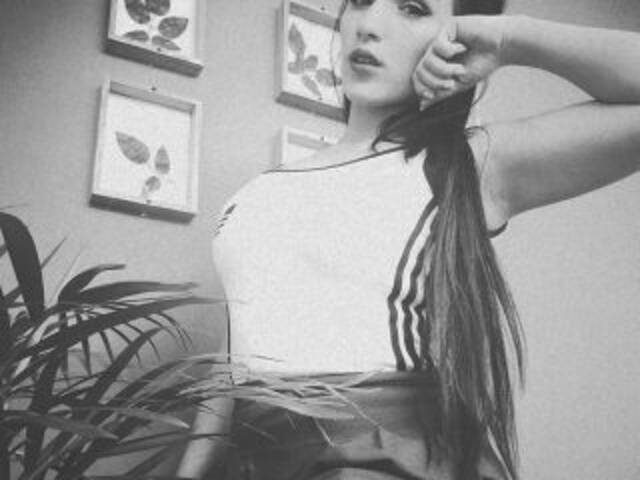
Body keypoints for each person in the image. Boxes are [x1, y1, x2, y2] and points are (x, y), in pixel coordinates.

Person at [177, 0, 640, 479]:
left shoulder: (467, 164)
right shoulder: (253, 194)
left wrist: (509, 38)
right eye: (360, 1)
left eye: (413, 8)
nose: (369, 25)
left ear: (455, 37)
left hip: (384, 458)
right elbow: (234, 358)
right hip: (259, 459)